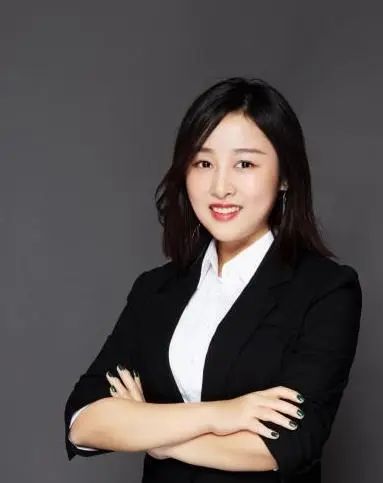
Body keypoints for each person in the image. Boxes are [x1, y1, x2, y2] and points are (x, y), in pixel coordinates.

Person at [64, 76, 362, 482]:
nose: (221, 187)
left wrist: (152, 433)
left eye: (245, 164)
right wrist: (222, 415)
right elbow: (84, 421)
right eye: (203, 163)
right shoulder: (156, 289)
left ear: (285, 176)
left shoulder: (325, 289)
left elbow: (285, 446)